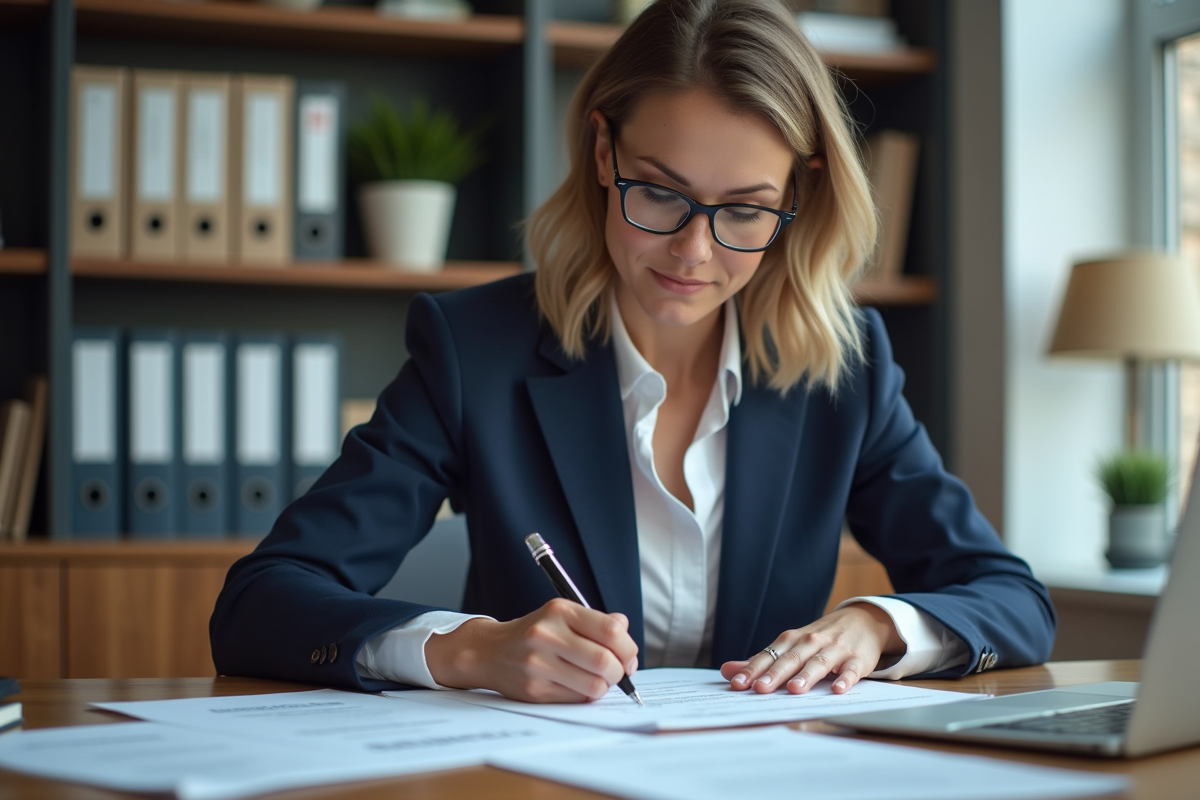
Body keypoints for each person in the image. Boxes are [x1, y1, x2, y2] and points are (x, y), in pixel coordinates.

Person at [210, 0, 1055, 702]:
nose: (694, 252)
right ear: (604, 152)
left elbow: (1012, 600)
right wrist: (467, 651)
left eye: (747, 210)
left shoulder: (847, 364)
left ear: (798, 196)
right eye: (660, 192)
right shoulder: (476, 349)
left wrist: (878, 625)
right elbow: (259, 605)